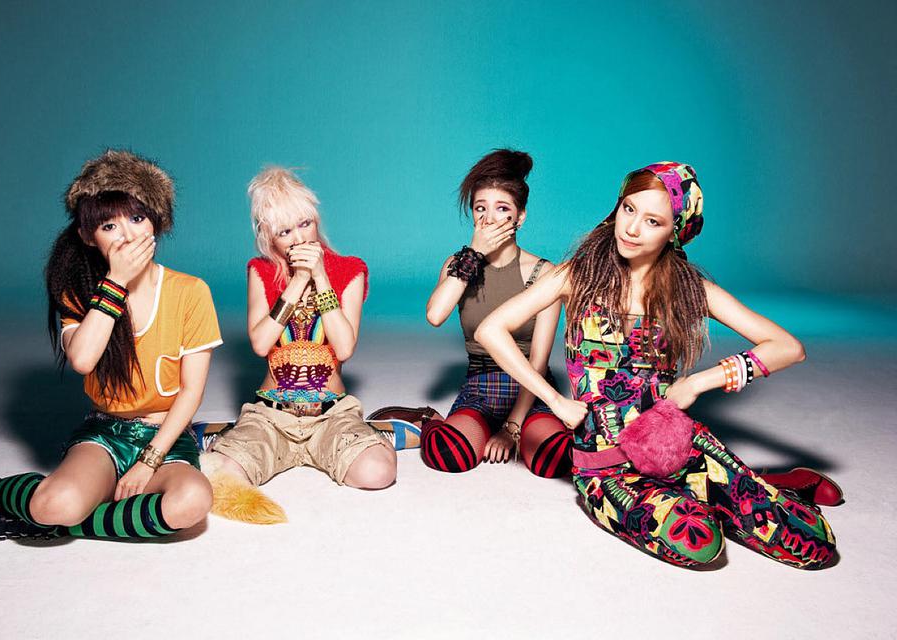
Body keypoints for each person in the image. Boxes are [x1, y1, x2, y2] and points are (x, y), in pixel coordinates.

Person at [475, 162, 837, 568]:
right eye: (628, 210)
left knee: (812, 542)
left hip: (677, 447)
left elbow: (788, 347)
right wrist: (555, 401)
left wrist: (699, 382)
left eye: (652, 221)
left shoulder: (689, 288)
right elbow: (492, 330)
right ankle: (752, 490)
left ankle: (766, 487)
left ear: (674, 231)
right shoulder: (577, 276)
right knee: (700, 541)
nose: (632, 229)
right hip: (607, 470)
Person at [0, 150, 219, 542]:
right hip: (107, 434)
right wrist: (116, 282)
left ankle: (25, 520)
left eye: (137, 218)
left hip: (165, 440)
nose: (128, 235)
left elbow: (191, 391)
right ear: (88, 236)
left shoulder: (190, 292)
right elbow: (83, 359)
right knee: (54, 504)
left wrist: (149, 462)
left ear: (157, 221)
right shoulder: (79, 291)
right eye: (109, 225)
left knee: (192, 502)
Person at [204, 166, 395, 518]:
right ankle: (232, 438)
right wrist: (297, 281)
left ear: (315, 219)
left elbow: (345, 348)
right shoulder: (260, 270)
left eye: (304, 223)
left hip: (330, 414)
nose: (298, 238)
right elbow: (261, 344)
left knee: (378, 472)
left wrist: (320, 277)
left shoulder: (350, 269)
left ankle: (376, 435)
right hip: (271, 416)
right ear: (269, 238)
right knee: (220, 476)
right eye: (284, 232)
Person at [375, 150, 572, 477]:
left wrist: (512, 428)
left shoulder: (544, 273)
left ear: (520, 217)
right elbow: (435, 315)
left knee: (556, 460)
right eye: (481, 208)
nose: (490, 218)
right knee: (446, 454)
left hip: (531, 388)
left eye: (502, 208)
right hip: (481, 387)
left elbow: (538, 360)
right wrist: (474, 254)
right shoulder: (458, 265)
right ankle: (429, 420)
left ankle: (525, 428)